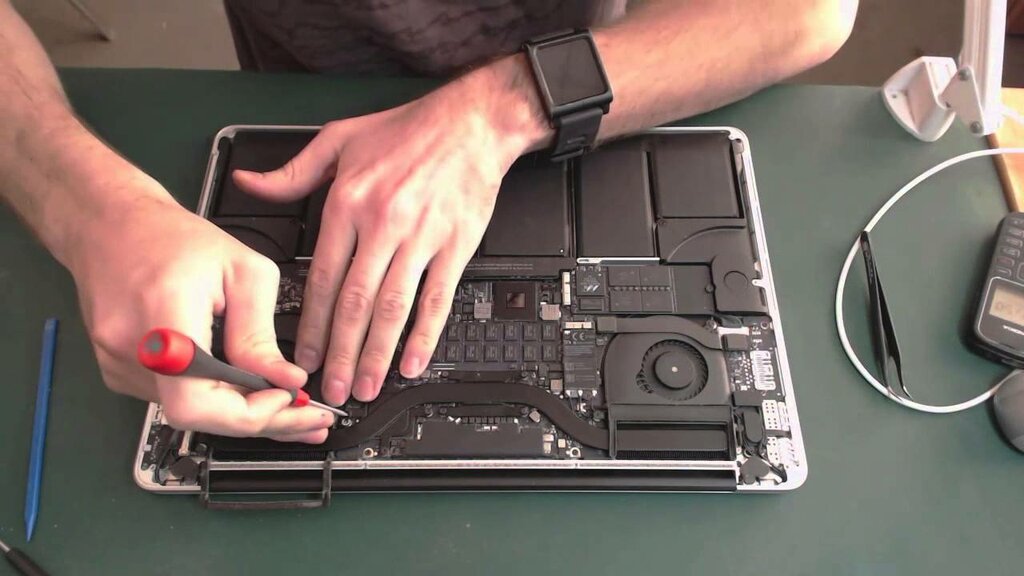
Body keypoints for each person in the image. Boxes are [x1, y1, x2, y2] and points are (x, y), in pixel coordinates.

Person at [0, 0, 858, 444]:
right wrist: (95, 208)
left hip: (595, 78)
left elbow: (806, 11)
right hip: (296, 91)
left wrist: (506, 106)